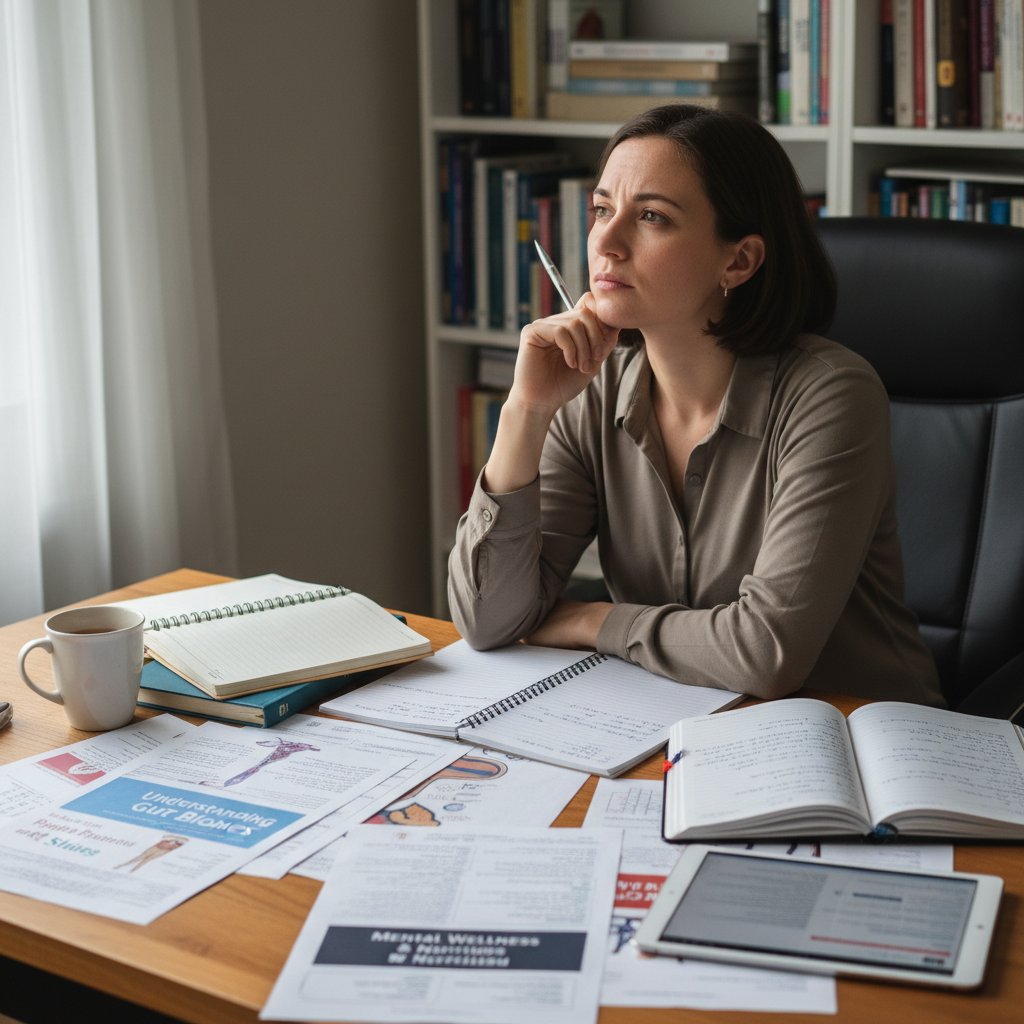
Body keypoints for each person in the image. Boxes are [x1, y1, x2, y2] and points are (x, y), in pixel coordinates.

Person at [448, 103, 942, 708]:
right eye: (602, 209)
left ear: (738, 260)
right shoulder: (593, 389)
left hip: (857, 737)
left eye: (652, 216)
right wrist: (525, 411)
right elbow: (487, 620)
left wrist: (590, 622)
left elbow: (765, 653)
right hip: (682, 719)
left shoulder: (831, 395)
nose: (606, 239)